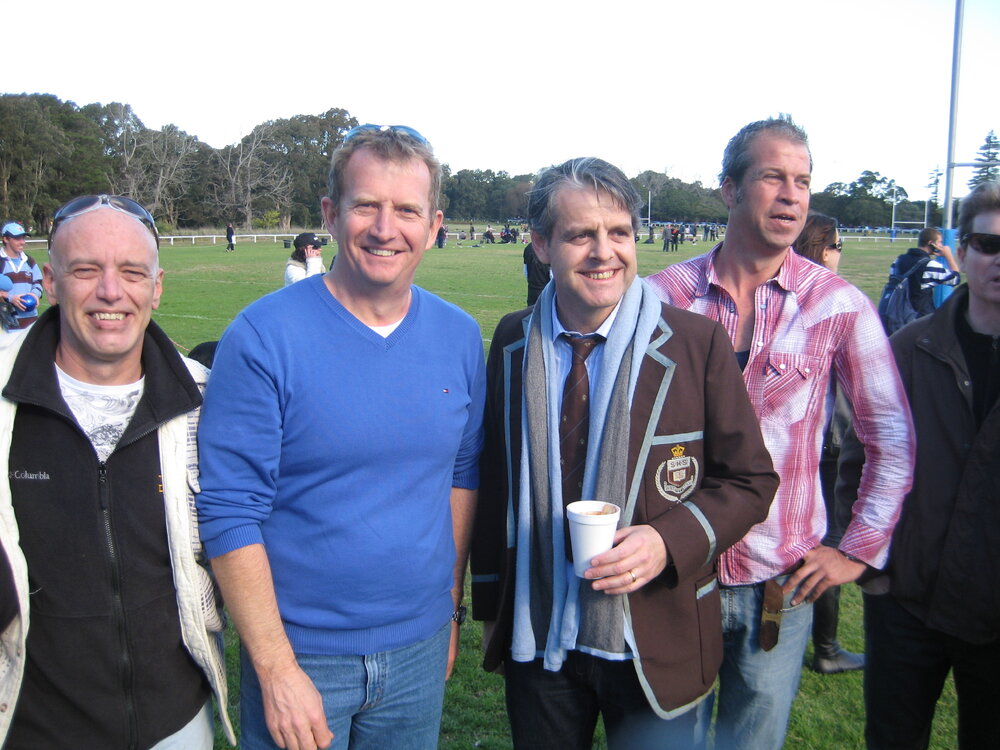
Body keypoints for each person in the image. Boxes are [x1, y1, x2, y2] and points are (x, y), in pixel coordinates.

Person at [471, 157, 778, 749]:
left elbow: (750, 480)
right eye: (580, 234)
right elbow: (494, 483)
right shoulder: (512, 340)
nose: (603, 252)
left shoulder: (695, 343)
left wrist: (669, 540)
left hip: (654, 637)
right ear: (540, 245)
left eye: (618, 233)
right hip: (539, 642)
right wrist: (490, 606)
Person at [196, 124, 485, 750]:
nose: (387, 229)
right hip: (302, 654)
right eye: (366, 206)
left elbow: (462, 474)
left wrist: (450, 609)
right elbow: (228, 509)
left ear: (434, 224)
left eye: (407, 209)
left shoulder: (460, 336)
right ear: (331, 214)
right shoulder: (261, 337)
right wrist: (274, 669)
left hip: (419, 647)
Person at [646, 117, 914, 750]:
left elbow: (892, 439)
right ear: (729, 190)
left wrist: (855, 548)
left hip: (782, 583)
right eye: (772, 176)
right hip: (679, 574)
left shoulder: (839, 305)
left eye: (802, 180)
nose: (792, 195)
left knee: (750, 742)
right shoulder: (660, 298)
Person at [0, 194, 234, 748]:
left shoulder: (204, 398)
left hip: (176, 721)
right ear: (51, 281)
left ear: (156, 287)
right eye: (86, 270)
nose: (111, 291)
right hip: (33, 727)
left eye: (132, 273)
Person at [838, 181, 1000, 750]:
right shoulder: (906, 349)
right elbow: (857, 463)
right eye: (988, 243)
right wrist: (869, 564)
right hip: (908, 600)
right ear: (964, 250)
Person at [791, 212, 864, 674]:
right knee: (826, 542)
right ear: (821, 247)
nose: (840, 254)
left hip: (807, 440)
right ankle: (826, 648)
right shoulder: (828, 302)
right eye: (836, 245)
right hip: (827, 442)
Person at [884, 226, 960, 318]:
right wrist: (948, 255)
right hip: (921, 319)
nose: (941, 245)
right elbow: (955, 279)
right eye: (939, 242)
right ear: (931, 243)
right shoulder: (930, 265)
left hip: (897, 316)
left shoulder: (898, 260)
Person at [0, 222, 43, 330]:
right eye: (17, 238)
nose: (22, 242)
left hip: (31, 321)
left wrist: (34, 294)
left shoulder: (29, 261)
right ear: (6, 239)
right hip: (7, 322)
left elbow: (38, 283)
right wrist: (10, 298)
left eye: (23, 238)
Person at [523, 241, 550, 306]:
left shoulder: (528, 248)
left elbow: (525, 271)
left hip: (532, 289)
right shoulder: (549, 247)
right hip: (546, 289)